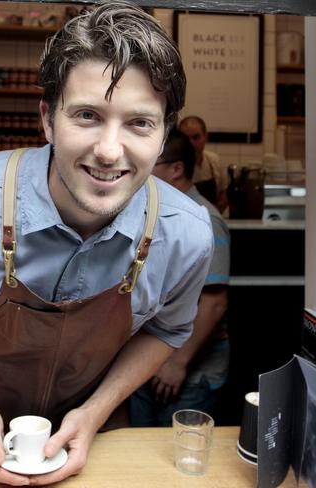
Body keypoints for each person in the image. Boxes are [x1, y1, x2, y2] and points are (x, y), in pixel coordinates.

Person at [0, 2, 213, 486]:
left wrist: (96, 412)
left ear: (165, 132)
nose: (109, 151)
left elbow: (168, 330)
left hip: (96, 436)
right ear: (47, 118)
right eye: (87, 115)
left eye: (140, 123)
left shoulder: (187, 232)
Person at [130, 129, 230, 426]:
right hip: (146, 361)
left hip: (187, 370)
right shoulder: (155, 213)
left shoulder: (204, 220)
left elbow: (213, 304)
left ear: (176, 170)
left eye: (151, 165)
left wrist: (177, 362)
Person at [178, 115, 228, 212]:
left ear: (206, 137)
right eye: (186, 138)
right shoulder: (174, 167)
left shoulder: (214, 161)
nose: (191, 143)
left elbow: (223, 196)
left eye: (196, 137)